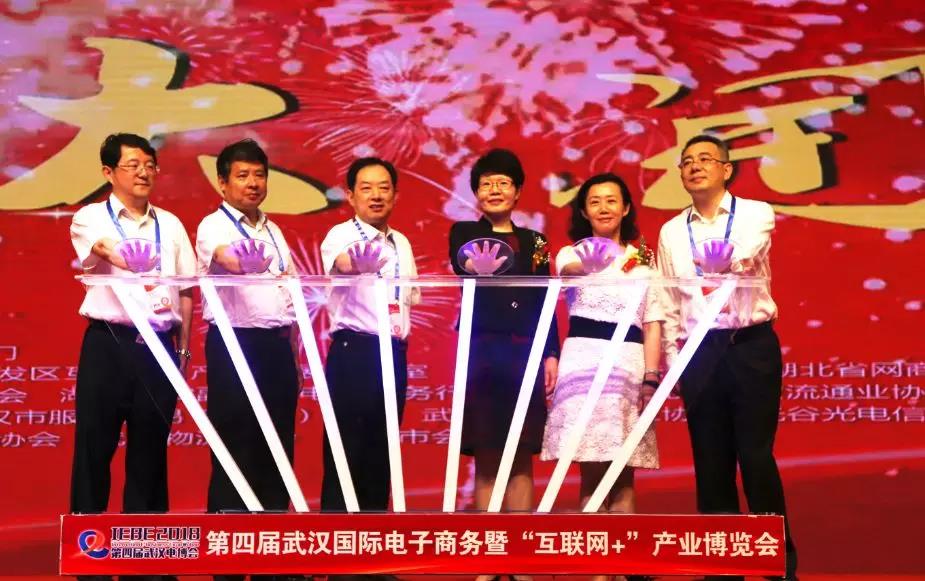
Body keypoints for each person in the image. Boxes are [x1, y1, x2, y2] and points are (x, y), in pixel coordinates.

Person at [657, 134, 797, 581]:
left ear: (726, 168)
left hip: (749, 346)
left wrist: (720, 261)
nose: (695, 167)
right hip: (699, 352)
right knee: (710, 460)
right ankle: (721, 568)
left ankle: (777, 564)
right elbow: (667, 299)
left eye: (705, 159)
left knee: (755, 456)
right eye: (687, 161)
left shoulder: (756, 213)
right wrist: (673, 359)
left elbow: (744, 254)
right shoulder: (671, 231)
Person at [69, 132, 195, 580]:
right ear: (109, 172)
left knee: (150, 453)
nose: (143, 172)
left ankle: (147, 562)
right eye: (132, 165)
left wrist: (183, 347)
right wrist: (126, 257)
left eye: (149, 164)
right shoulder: (89, 217)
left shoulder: (172, 224)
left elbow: (185, 290)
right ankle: (88, 560)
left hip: (159, 348)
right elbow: (102, 249)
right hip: (110, 343)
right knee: (94, 449)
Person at [195, 139, 301, 581]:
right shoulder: (212, 226)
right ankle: (227, 560)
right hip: (235, 344)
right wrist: (243, 262)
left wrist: (294, 351)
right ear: (223, 183)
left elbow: (289, 292)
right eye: (242, 175)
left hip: (277, 348)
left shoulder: (273, 231)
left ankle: (273, 557)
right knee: (235, 447)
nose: (253, 183)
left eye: (259, 174)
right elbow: (226, 260)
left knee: (278, 449)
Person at [448, 149, 560, 523]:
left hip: (524, 353)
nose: (494, 190)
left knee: (522, 451)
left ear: (517, 191)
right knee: (487, 450)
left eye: (503, 182)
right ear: (476, 192)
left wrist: (551, 352)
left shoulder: (536, 240)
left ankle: (521, 545)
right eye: (486, 184)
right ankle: (488, 544)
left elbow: (545, 299)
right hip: (482, 352)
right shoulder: (464, 232)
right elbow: (463, 263)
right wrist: (477, 267)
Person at [319, 157, 418, 512]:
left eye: (384, 188)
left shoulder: (401, 242)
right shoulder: (341, 235)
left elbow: (410, 297)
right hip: (354, 352)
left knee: (382, 450)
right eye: (366, 188)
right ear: (350, 195)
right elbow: (342, 264)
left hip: (393, 351)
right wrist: (356, 265)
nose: (376, 195)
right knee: (347, 449)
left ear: (395, 195)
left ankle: (374, 541)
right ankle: (339, 541)